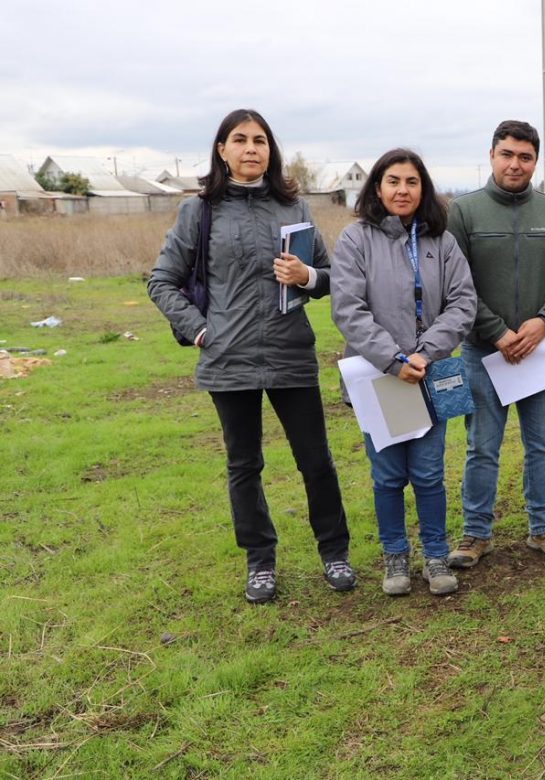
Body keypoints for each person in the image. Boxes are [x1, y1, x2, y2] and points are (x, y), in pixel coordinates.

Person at [148, 108, 353, 604]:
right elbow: (161, 281)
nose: (250, 149)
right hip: (228, 358)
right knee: (244, 465)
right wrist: (198, 329)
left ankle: (335, 552)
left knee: (316, 460)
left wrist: (306, 277)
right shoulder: (198, 212)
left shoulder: (295, 208)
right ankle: (260, 560)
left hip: (290, 353)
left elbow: (329, 276)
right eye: (239, 140)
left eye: (259, 140)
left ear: (270, 150)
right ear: (222, 150)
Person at [331, 149, 476, 596]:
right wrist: (394, 360)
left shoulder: (442, 241)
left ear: (423, 189)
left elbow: (463, 303)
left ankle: (435, 554)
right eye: (393, 181)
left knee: (430, 473)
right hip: (379, 377)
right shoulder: (355, 239)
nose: (402, 190)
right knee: (388, 475)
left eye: (411, 182)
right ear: (377, 187)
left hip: (429, 374)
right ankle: (395, 557)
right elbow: (348, 309)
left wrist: (425, 354)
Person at [445, 120, 545, 568]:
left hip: (539, 351)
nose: (515, 164)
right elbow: (456, 283)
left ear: (535, 161)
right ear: (491, 155)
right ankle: (474, 533)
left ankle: (544, 528)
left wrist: (544, 322)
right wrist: (497, 332)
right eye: (507, 154)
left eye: (525, 157)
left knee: (542, 443)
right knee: (481, 445)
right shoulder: (463, 213)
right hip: (485, 352)